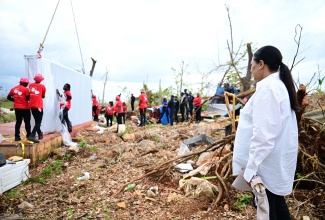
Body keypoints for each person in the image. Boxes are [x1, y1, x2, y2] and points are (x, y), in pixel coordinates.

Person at [232, 46, 299, 220]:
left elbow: (264, 136)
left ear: (261, 64)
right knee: (276, 205)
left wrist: (251, 169)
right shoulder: (277, 86)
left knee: (268, 210)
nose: (251, 70)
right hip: (273, 161)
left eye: (252, 65)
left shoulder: (268, 89)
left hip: (265, 165)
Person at [29, 73, 46, 142]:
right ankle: (32, 135)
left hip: (32, 106)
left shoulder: (30, 85)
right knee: (38, 122)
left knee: (37, 121)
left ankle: (40, 134)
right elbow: (43, 96)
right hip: (38, 106)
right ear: (41, 80)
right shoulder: (42, 86)